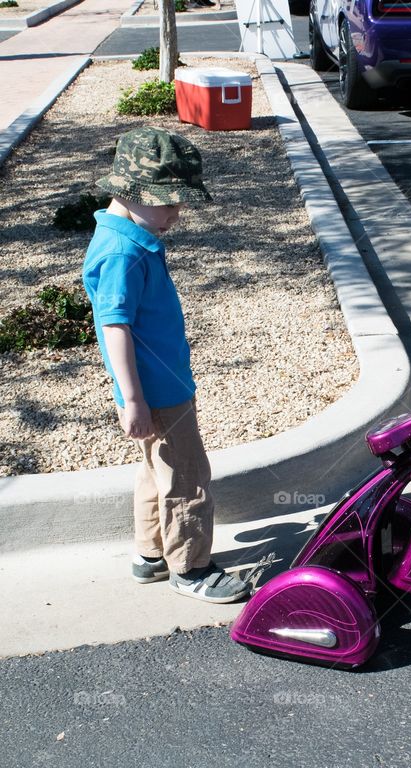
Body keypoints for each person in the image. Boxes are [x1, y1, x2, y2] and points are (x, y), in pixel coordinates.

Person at [82, 127, 249, 604]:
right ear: (132, 193)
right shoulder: (123, 252)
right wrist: (132, 398)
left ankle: (151, 554)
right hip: (159, 392)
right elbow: (115, 326)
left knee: (157, 471)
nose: (177, 213)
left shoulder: (124, 234)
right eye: (170, 202)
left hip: (158, 386)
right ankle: (192, 568)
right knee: (187, 478)